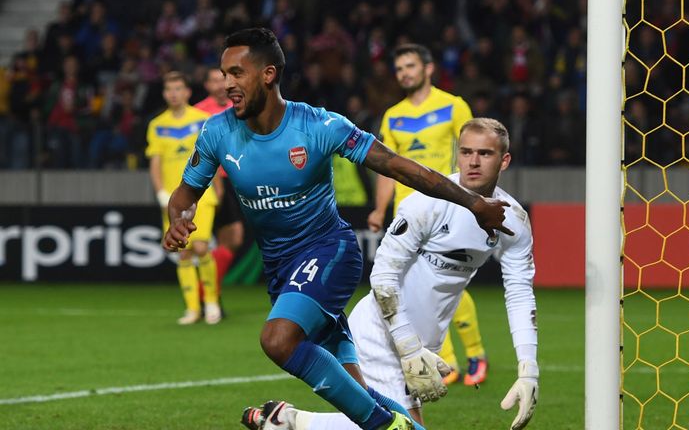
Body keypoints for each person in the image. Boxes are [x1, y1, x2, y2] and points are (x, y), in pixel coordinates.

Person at [162, 28, 511, 430]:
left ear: (268, 74)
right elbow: (186, 193)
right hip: (280, 268)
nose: (227, 85)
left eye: (237, 73)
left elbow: (401, 167)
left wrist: (472, 202)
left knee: (277, 340)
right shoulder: (216, 132)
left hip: (329, 251)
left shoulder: (318, 126)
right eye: (224, 74)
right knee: (356, 389)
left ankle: (385, 428)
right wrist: (179, 220)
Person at [251, 118, 539, 430]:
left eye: (485, 154)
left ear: (504, 160)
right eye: (466, 151)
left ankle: (288, 422)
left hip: (425, 341)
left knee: (394, 425)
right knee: (398, 427)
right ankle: (290, 422)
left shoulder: (513, 221)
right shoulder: (428, 203)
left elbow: (520, 292)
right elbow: (383, 277)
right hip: (382, 334)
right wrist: (408, 346)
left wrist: (528, 370)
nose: (473, 161)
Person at [366, 43, 490, 387]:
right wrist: (379, 209)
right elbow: (386, 167)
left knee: (447, 280)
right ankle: (445, 362)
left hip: (446, 206)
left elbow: (474, 153)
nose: (404, 72)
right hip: (406, 214)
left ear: (428, 68)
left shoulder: (452, 105)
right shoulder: (393, 114)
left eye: (410, 66)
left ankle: (476, 353)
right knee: (413, 289)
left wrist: (474, 197)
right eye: (399, 68)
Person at [146, 71, 221, 325]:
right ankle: (192, 309)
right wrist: (160, 193)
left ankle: (211, 302)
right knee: (184, 252)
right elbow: (155, 163)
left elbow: (214, 156)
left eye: (179, 88)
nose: (174, 93)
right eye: (169, 89)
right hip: (174, 198)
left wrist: (218, 186)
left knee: (201, 247)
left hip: (202, 194)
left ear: (188, 92)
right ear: (165, 93)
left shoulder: (203, 120)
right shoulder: (157, 124)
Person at [194, 66, 257, 295]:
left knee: (229, 239)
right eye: (214, 81)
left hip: (239, 180)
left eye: (223, 80)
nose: (220, 85)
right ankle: (204, 292)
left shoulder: (241, 108)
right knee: (230, 236)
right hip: (213, 181)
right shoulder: (198, 113)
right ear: (207, 86)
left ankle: (208, 292)